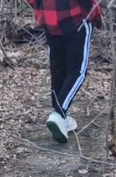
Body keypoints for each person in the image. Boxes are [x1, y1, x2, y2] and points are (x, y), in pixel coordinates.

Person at [26, 0, 102, 144]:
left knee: (58, 69)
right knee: (78, 71)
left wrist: (39, 11)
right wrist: (95, 16)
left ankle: (61, 118)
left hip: (48, 20)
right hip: (76, 19)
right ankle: (59, 114)